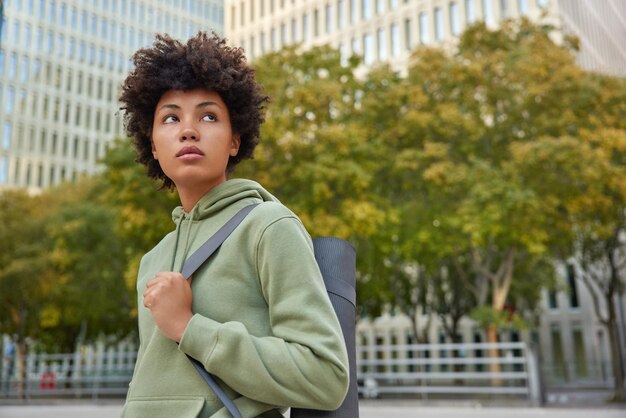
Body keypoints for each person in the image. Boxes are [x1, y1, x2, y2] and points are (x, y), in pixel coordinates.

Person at [118, 32, 349, 418]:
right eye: (170, 117)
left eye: (208, 116)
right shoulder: (152, 260)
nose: (188, 130)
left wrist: (190, 328)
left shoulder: (268, 227)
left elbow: (325, 376)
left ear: (235, 140)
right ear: (154, 146)